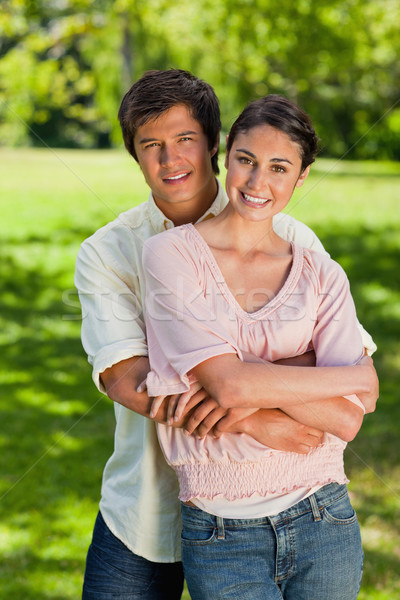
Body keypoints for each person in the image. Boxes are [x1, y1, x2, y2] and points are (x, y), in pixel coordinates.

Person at [75, 70, 377, 599]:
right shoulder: (109, 251)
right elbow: (128, 378)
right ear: (135, 156)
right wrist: (254, 416)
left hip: (287, 498)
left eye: (185, 140)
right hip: (145, 510)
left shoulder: (291, 239)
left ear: (214, 144)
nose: (171, 161)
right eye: (152, 146)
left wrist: (241, 383)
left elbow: (349, 386)